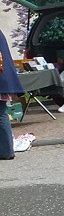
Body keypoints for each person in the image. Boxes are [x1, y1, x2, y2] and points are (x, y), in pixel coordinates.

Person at [0, 28, 22, 160]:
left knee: (1, 113)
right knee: (1, 113)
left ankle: (6, 150)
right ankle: (6, 149)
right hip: (3, 78)